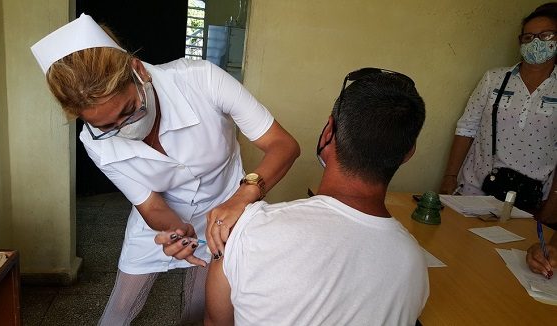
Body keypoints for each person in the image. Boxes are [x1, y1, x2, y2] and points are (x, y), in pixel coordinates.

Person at [30, 14, 300, 325]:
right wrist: (173, 230)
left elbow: (283, 145)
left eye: (129, 110)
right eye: (106, 126)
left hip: (227, 208)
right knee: (119, 310)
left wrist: (243, 196)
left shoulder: (201, 80)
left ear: (138, 71)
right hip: (160, 222)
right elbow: (151, 204)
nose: (124, 128)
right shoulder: (95, 143)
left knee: (200, 308)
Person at [163, 68, 429, 325]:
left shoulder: (249, 231)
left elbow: (216, 322)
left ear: (328, 131)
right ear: (409, 153)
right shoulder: (414, 263)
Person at [439, 9, 557, 222]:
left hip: (530, 199)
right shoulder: (494, 79)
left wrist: (551, 207)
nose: (536, 43)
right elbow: (467, 127)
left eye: (545, 35)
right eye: (528, 37)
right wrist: (449, 177)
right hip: (476, 188)